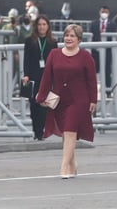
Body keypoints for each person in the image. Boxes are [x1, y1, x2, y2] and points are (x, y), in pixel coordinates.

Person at [36, 24, 97, 178]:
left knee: (70, 130)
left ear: (79, 39)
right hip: (60, 99)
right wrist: (41, 96)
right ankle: (72, 163)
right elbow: (47, 77)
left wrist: (93, 100)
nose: (68, 38)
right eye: (66, 35)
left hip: (79, 100)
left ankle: (63, 166)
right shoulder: (54, 54)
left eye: (72, 36)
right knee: (66, 133)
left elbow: (91, 81)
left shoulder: (85, 57)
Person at [22, 15, 58, 140]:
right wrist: (25, 74)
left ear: (48, 26)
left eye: (44, 24)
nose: (42, 27)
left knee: (44, 105)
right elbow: (26, 59)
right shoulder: (30, 40)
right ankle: (36, 130)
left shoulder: (53, 42)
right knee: (34, 105)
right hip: (33, 76)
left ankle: (41, 131)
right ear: (36, 26)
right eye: (39, 24)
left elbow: (55, 61)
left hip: (47, 77)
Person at [90, 6, 117, 95]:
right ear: (99, 12)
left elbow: (114, 37)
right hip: (95, 51)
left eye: (106, 12)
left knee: (107, 71)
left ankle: (108, 91)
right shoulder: (94, 23)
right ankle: (92, 90)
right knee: (93, 70)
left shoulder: (112, 24)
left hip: (107, 51)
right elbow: (91, 36)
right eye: (102, 11)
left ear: (109, 13)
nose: (104, 13)